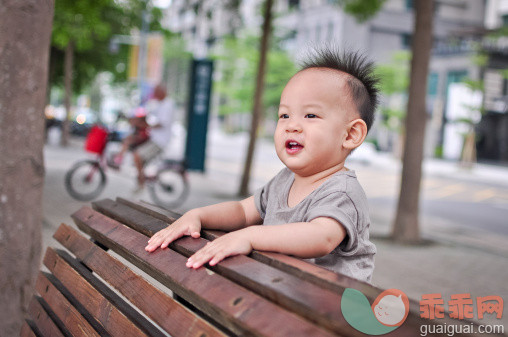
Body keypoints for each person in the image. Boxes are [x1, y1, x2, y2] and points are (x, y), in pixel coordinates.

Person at [145, 47, 379, 282]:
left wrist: (251, 237)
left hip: (331, 309)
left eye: (310, 116)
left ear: (350, 135)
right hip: (281, 295)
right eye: (284, 115)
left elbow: (321, 237)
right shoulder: (284, 180)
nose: (291, 126)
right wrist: (198, 215)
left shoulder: (342, 192)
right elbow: (243, 212)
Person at [132, 84, 175, 191]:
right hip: (154, 138)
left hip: (160, 141)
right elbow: (149, 113)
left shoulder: (168, 105)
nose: (155, 94)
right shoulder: (160, 104)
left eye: (156, 92)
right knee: (136, 153)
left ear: (162, 92)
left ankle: (141, 182)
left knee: (137, 156)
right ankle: (141, 179)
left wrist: (146, 125)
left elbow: (162, 123)